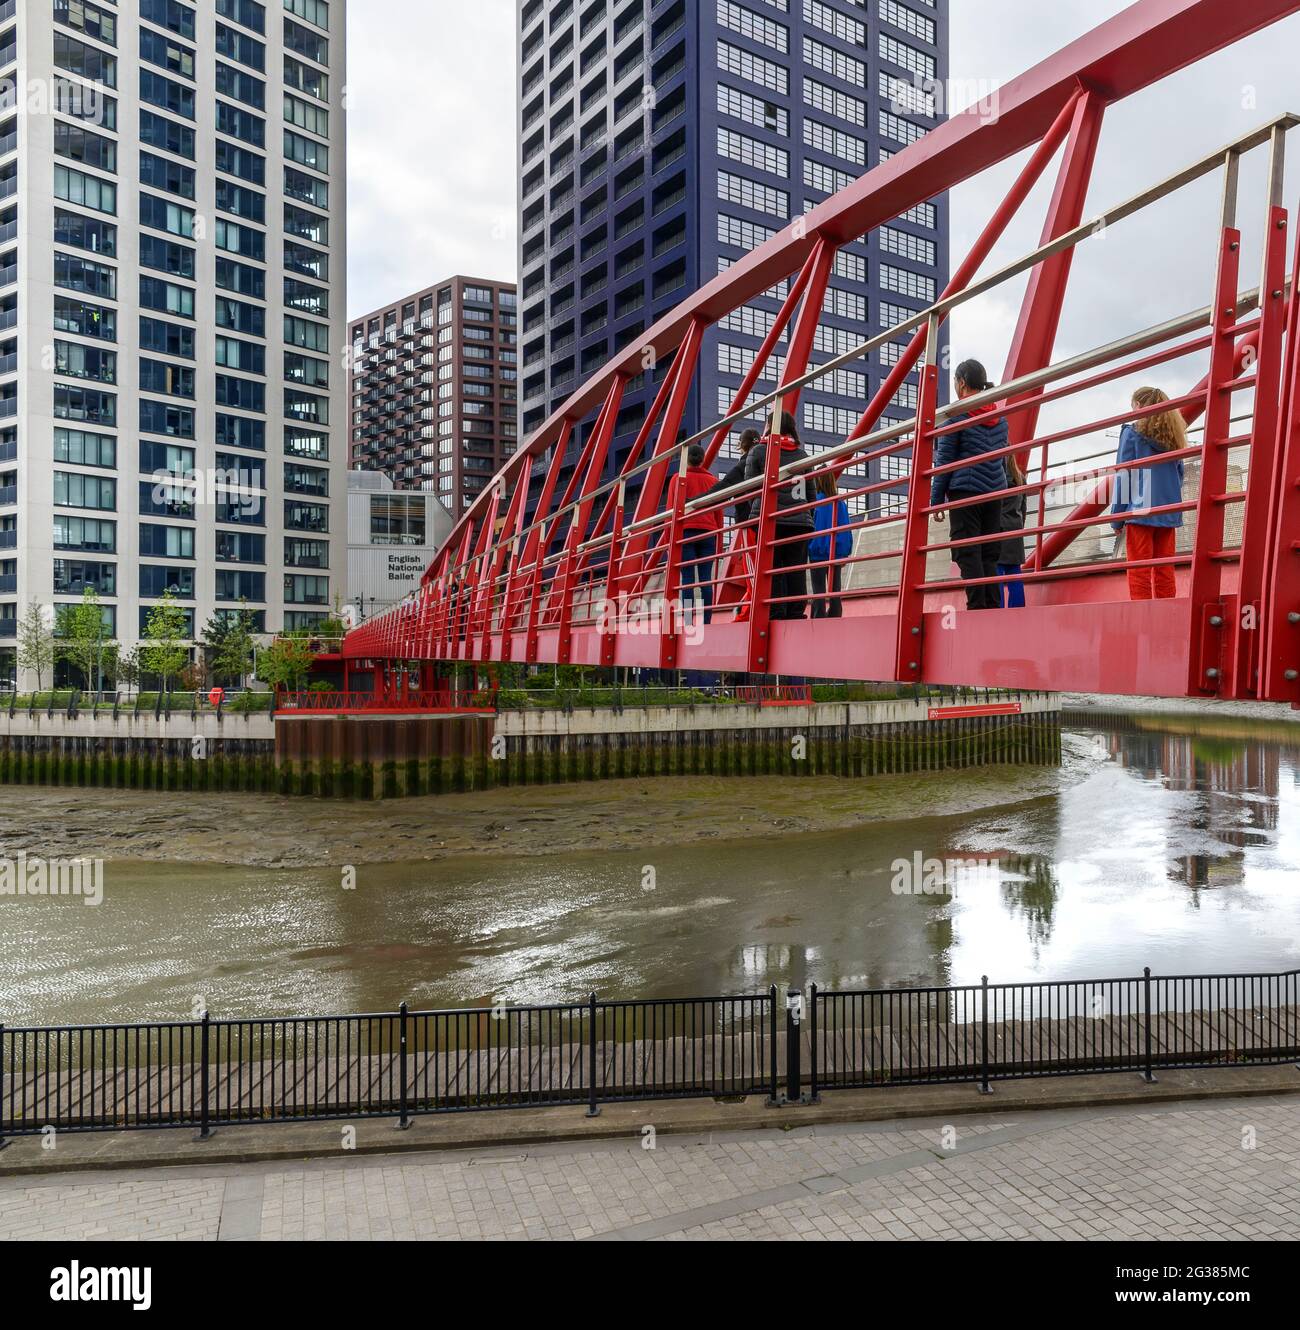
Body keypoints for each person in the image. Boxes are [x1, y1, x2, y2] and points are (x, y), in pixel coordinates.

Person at [931, 359, 1009, 610]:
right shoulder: (999, 418)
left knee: (968, 550)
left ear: (962, 383)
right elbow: (1002, 457)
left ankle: (976, 608)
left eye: (955, 381)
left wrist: (936, 501)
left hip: (965, 491)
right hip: (995, 492)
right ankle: (992, 607)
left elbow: (944, 463)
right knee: (989, 553)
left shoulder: (956, 417)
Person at [1111, 386, 1187, 600]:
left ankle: (1142, 615)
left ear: (1138, 405)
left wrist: (1117, 518)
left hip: (1140, 511)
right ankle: (1167, 612)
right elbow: (1179, 474)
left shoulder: (1132, 433)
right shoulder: (1173, 437)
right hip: (1169, 511)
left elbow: (1124, 476)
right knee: (1165, 569)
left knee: (1139, 570)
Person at [745, 410, 814, 619]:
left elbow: (750, 489)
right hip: (799, 520)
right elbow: (811, 494)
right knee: (796, 568)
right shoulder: (802, 455)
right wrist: (805, 514)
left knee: (771, 568)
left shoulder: (759, 451)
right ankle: (796, 613)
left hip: (770, 518)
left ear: (769, 426)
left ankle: (775, 612)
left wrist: (757, 511)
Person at [665, 444, 724, 623]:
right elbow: (719, 513)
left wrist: (668, 541)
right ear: (702, 459)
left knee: (688, 580)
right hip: (709, 533)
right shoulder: (713, 481)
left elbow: (670, 512)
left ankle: (689, 621)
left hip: (685, 533)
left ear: (686, 460)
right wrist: (719, 540)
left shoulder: (678, 479)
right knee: (706, 580)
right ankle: (707, 621)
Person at [809, 469, 851, 618]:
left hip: (817, 551)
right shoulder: (840, 503)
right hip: (835, 552)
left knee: (818, 589)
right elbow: (846, 528)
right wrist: (845, 552)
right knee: (835, 588)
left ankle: (818, 616)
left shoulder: (814, 502)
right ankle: (835, 614)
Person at [997, 454, 1028, 609]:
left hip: (997, 529)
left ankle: (998, 611)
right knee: (1015, 574)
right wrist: (1019, 528)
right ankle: (1018, 610)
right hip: (1015, 530)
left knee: (996, 575)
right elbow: (1023, 508)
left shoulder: (995, 476)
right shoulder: (1020, 478)